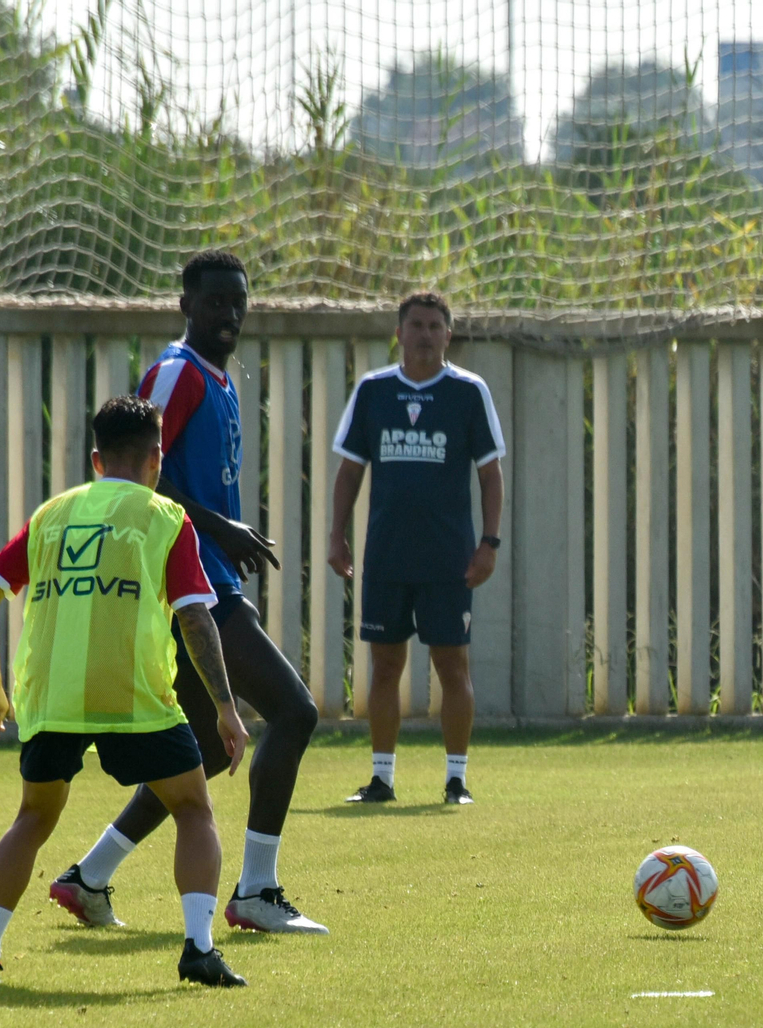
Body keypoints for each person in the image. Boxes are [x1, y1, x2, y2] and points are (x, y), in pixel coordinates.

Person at [49, 250, 327, 935]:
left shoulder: (219, 381)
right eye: (214, 303)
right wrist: (219, 528)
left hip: (210, 576)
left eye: (239, 302)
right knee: (294, 714)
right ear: (186, 306)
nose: (229, 314)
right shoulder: (177, 374)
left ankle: (89, 877)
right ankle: (257, 891)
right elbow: (137, 476)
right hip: (184, 581)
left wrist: (224, 542)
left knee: (198, 754)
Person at [0, 396, 249, 987]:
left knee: (31, 820)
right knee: (193, 808)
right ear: (157, 458)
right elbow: (196, 620)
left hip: (52, 698)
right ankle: (197, 949)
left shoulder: (52, 515)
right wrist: (225, 706)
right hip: (133, 696)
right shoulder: (165, 518)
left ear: (96, 459)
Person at [329, 291, 505, 805]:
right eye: (417, 325)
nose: (425, 334)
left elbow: (491, 474)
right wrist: (336, 535)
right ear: (399, 332)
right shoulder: (373, 390)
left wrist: (488, 544)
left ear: (449, 335)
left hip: (449, 558)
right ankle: (381, 778)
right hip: (385, 554)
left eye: (435, 326)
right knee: (385, 667)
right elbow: (349, 470)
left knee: (453, 667)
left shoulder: (469, 392)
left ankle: (456, 780)